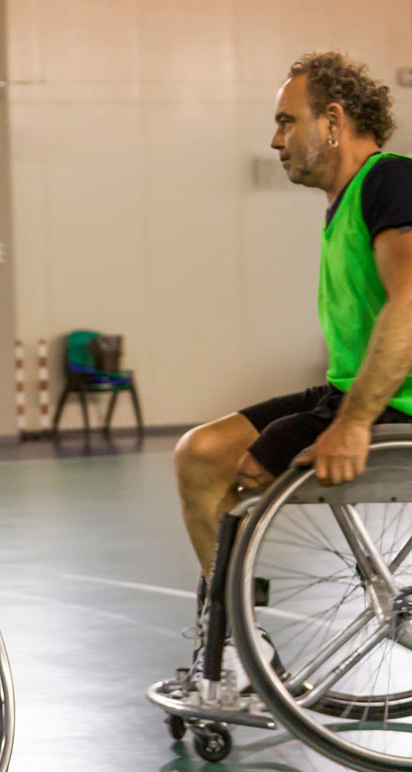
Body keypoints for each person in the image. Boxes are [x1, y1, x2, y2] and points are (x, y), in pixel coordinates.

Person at [173, 52, 412, 693]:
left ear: (333, 121)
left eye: (287, 121)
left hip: (393, 409)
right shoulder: (343, 205)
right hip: (347, 392)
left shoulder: (391, 182)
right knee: (201, 456)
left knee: (238, 468)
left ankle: (232, 644)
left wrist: (356, 422)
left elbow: (411, 302)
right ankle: (232, 635)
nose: (276, 140)